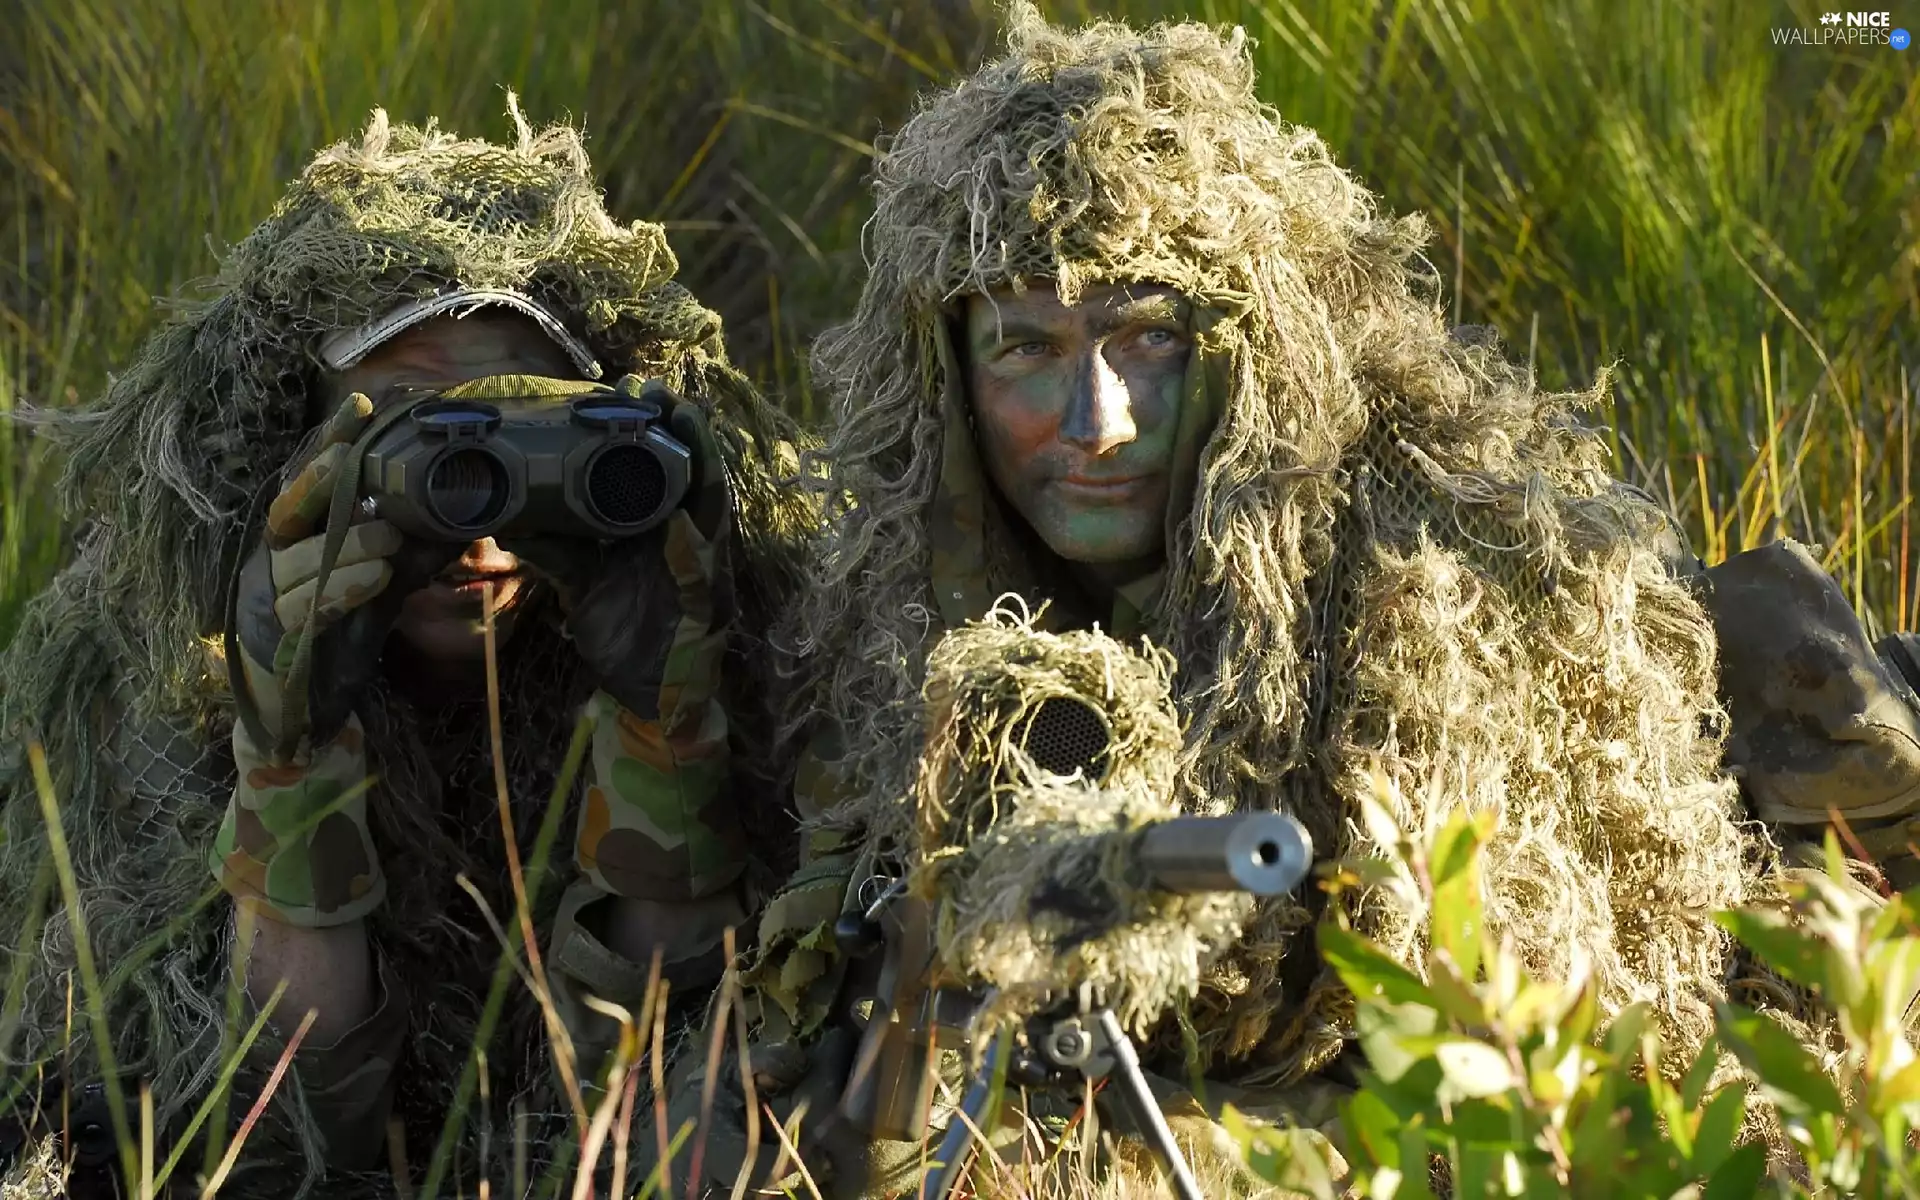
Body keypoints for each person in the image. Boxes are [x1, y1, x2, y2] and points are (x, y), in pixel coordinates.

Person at [653, 6, 1763, 1197]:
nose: (1097, 423)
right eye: (1027, 349)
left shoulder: (1438, 613)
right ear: (946, 381)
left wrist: (1085, 1151)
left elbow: (1511, 1108)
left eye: (1147, 339)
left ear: (1249, 354)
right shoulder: (889, 613)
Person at [0, 102, 813, 1196]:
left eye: (530, 442)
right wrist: (288, 759)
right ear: (293, 454)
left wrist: (669, 731)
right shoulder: (153, 688)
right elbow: (270, 1152)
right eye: (425, 447)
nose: (479, 529)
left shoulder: (750, 653)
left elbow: (659, 1126)